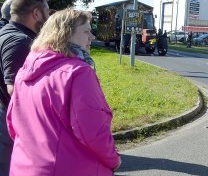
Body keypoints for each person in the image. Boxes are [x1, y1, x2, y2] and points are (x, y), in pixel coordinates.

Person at [6, 9, 121, 175]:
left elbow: (13, 123)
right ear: (66, 33)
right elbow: (92, 130)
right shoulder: (78, 72)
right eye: (87, 31)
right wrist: (114, 160)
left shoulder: (25, 70)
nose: (92, 37)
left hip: (23, 167)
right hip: (67, 168)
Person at [0, 0, 49, 175]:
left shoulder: (6, 32)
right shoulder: (20, 41)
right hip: (8, 124)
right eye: (46, 12)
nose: (48, 17)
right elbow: (16, 90)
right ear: (36, 13)